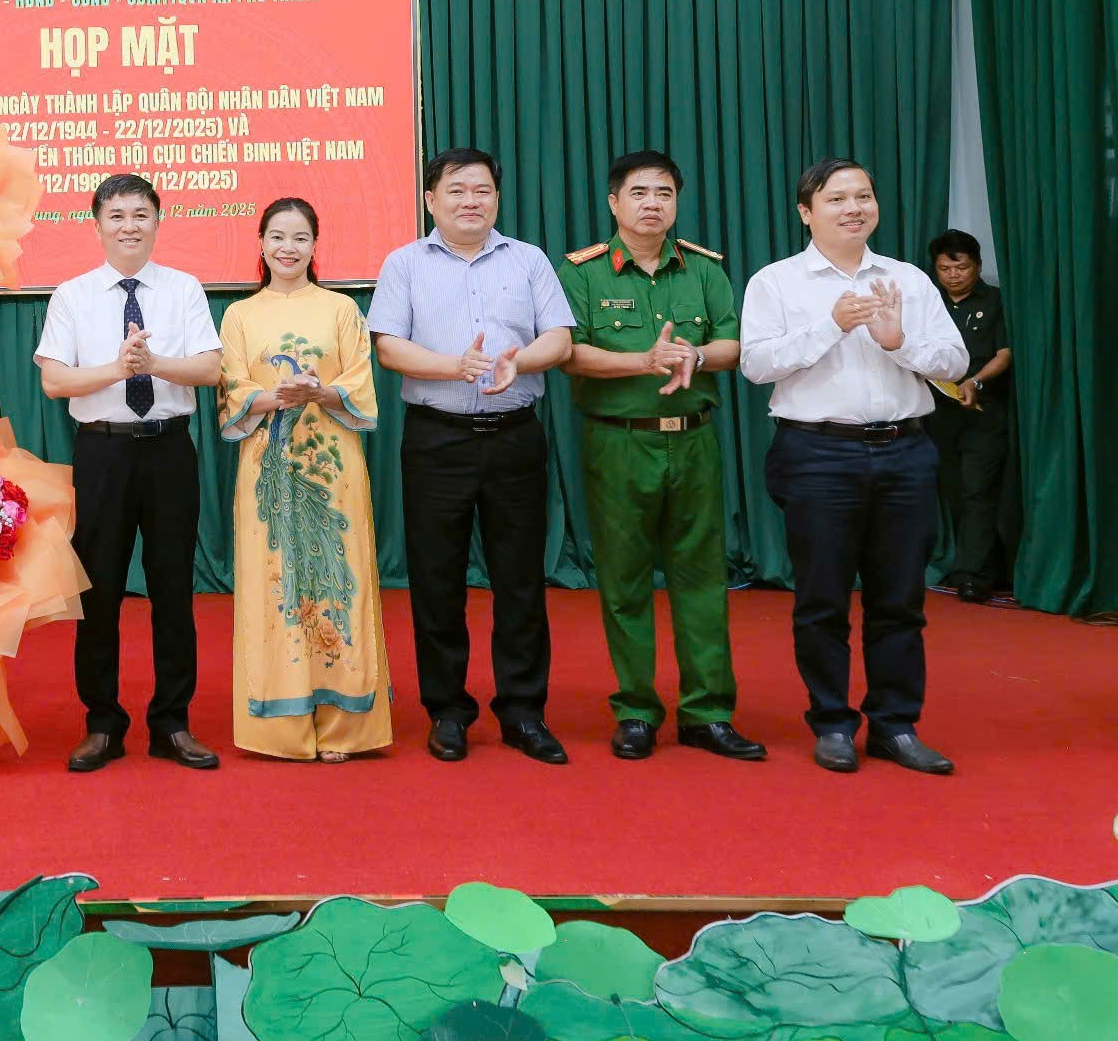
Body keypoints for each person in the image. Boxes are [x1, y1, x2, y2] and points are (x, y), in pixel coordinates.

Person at [741, 159, 967, 776]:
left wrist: (900, 343)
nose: (854, 209)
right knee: (822, 600)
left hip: (905, 452)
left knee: (900, 600)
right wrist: (831, 326)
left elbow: (954, 360)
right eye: (837, 199)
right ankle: (833, 723)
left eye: (863, 196)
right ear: (806, 212)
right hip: (817, 454)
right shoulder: (776, 282)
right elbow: (757, 365)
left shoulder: (907, 279)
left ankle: (895, 725)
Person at [368, 148, 575, 764]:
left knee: (520, 580)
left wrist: (519, 361)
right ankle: (448, 711)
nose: (470, 201)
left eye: (481, 190)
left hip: (515, 436)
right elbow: (389, 347)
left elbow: (560, 340)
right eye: (456, 190)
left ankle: (523, 711)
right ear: (431, 200)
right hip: (438, 439)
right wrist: (454, 367)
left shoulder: (529, 260)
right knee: (437, 580)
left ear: (497, 198)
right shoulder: (405, 263)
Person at [558, 151, 765, 763]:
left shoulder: (704, 268)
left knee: (702, 579)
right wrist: (642, 361)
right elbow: (569, 353)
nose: (653, 204)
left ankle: (708, 713)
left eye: (665, 193)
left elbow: (732, 343)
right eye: (639, 192)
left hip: (695, 439)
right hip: (618, 442)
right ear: (613, 202)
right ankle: (636, 711)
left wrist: (695, 356)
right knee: (622, 580)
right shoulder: (582, 272)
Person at [35, 172, 225, 772]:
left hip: (169, 451)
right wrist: (117, 370)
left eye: (140, 214)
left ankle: (172, 723)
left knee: (173, 591)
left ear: (157, 222)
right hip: (103, 453)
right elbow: (54, 380)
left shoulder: (184, 288)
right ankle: (102, 724)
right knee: (99, 592)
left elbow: (210, 370)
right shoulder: (72, 295)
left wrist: (154, 362)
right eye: (116, 216)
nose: (129, 226)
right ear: (97, 226)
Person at [217, 198, 390, 761]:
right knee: (275, 582)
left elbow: (360, 383)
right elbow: (231, 386)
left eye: (299, 237)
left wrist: (322, 392)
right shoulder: (240, 315)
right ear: (261, 243)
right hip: (266, 465)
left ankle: (343, 727)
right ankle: (281, 728)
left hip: (333, 466)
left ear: (315, 245)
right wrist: (274, 398)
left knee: (341, 578)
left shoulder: (342, 309)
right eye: (277, 236)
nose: (287, 248)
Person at [926, 230, 1017, 607]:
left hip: (983, 410)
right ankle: (967, 564)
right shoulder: (929, 303)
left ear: (978, 266)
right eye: (944, 268)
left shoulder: (995, 301)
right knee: (953, 490)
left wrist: (975, 382)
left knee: (978, 490)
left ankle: (975, 577)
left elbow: (1004, 353)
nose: (953, 275)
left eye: (961, 267)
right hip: (939, 413)